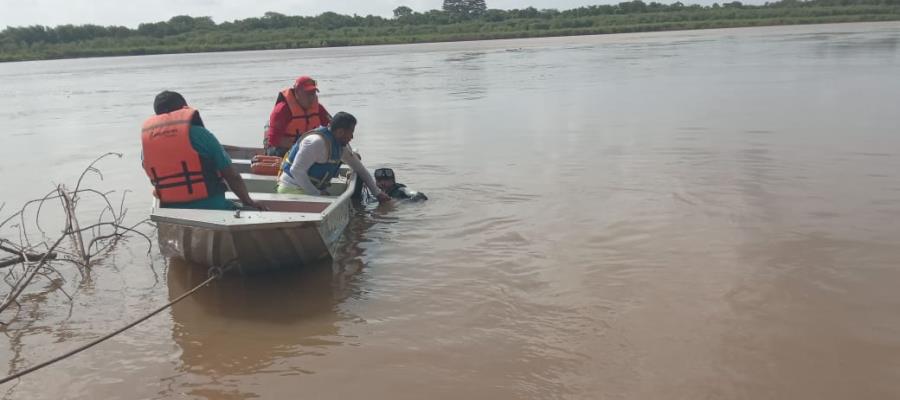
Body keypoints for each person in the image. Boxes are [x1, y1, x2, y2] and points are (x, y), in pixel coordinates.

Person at [141, 91, 264, 210]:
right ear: (184, 109)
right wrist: (248, 201)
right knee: (248, 209)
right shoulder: (201, 135)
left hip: (170, 209)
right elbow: (232, 176)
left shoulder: (147, 144)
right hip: (211, 206)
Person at [278, 111, 390, 203]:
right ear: (340, 132)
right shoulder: (316, 143)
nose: (352, 137)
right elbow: (296, 171)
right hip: (291, 189)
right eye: (351, 132)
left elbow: (360, 169)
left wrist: (377, 193)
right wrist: (317, 194)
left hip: (311, 191)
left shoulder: (340, 147)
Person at [264, 76, 332, 157]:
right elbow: (274, 140)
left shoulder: (318, 108)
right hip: (281, 149)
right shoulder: (282, 110)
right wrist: (298, 146)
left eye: (313, 93)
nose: (311, 97)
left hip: (306, 148)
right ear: (297, 92)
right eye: (307, 93)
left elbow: (333, 128)